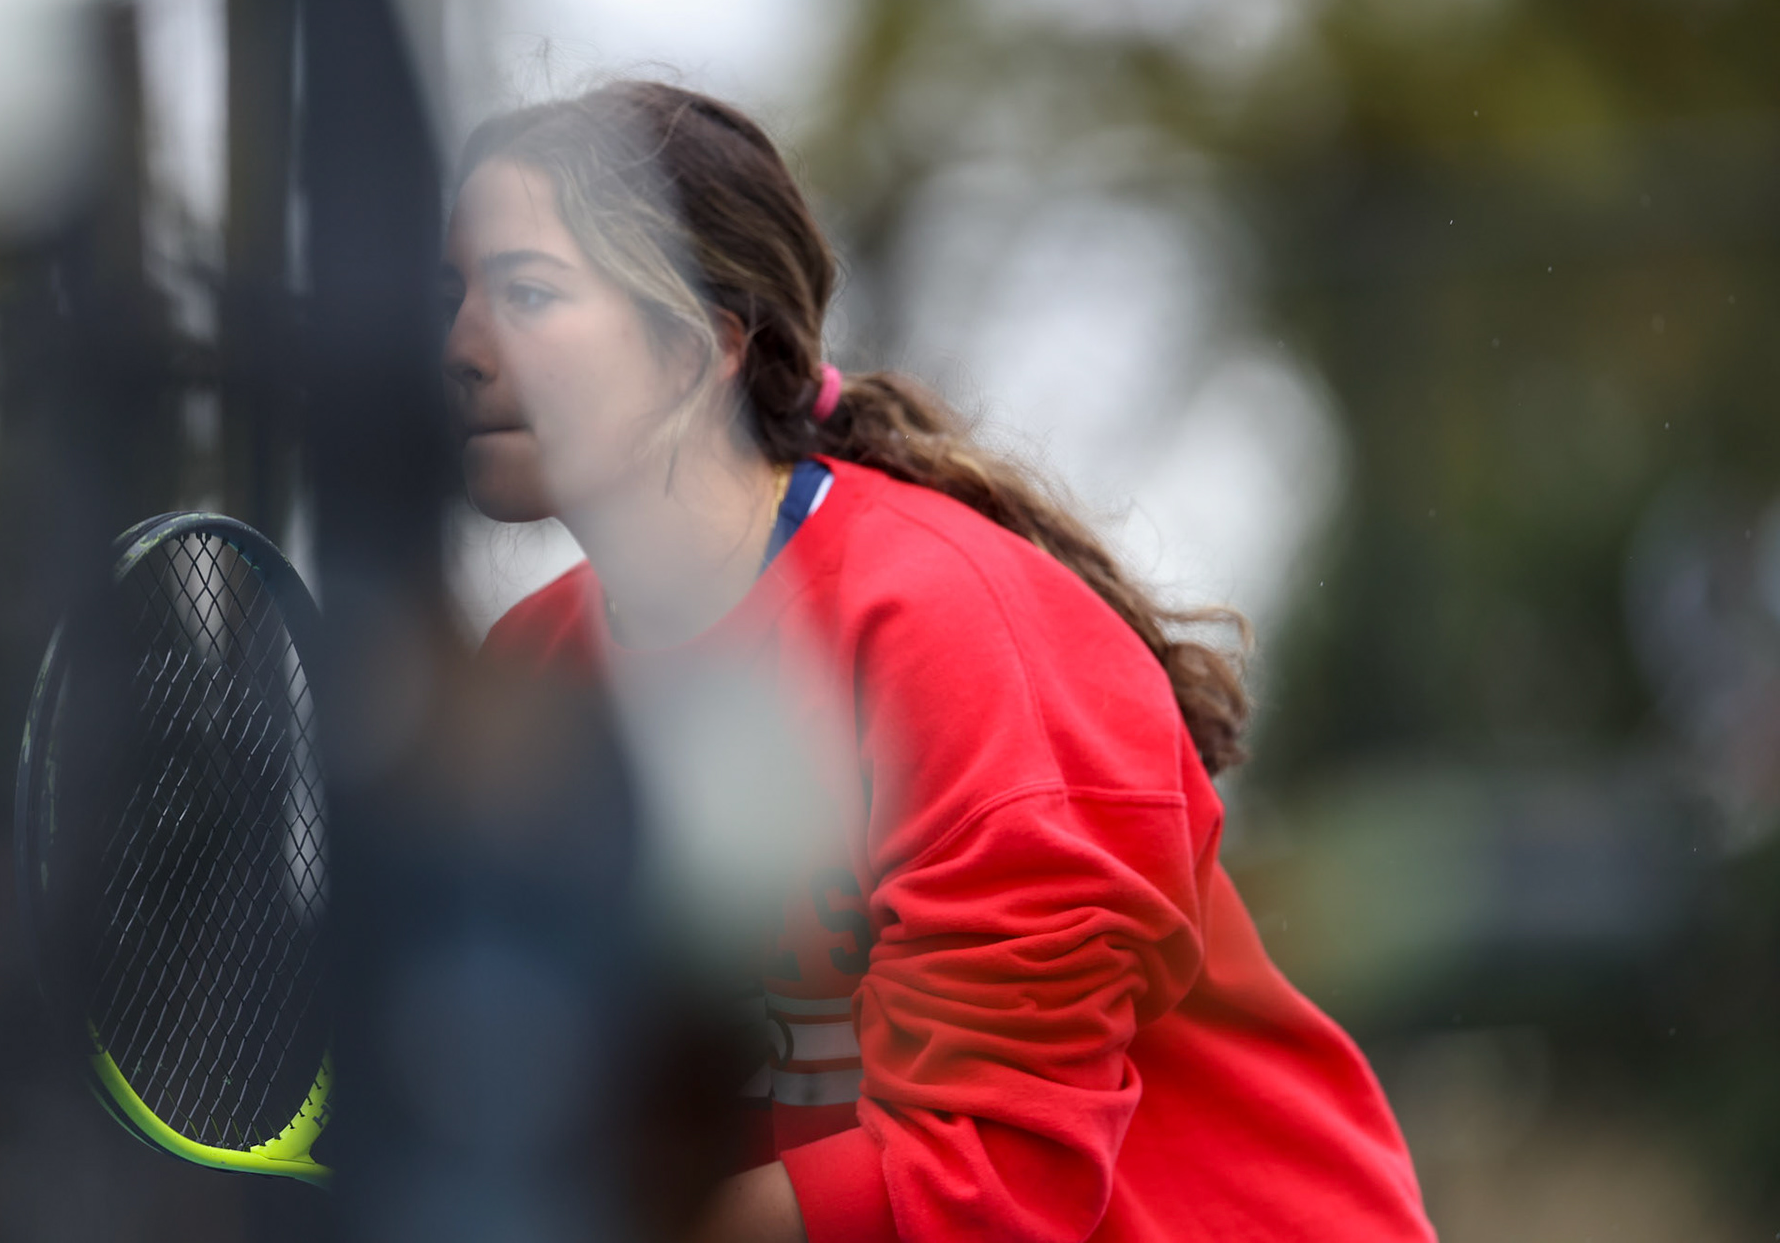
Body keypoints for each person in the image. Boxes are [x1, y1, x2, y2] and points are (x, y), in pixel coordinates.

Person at [442, 80, 1435, 1243]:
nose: (458, 347)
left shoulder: (959, 631)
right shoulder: (531, 671)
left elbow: (987, 1179)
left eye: (527, 292)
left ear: (698, 346)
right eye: (448, 295)